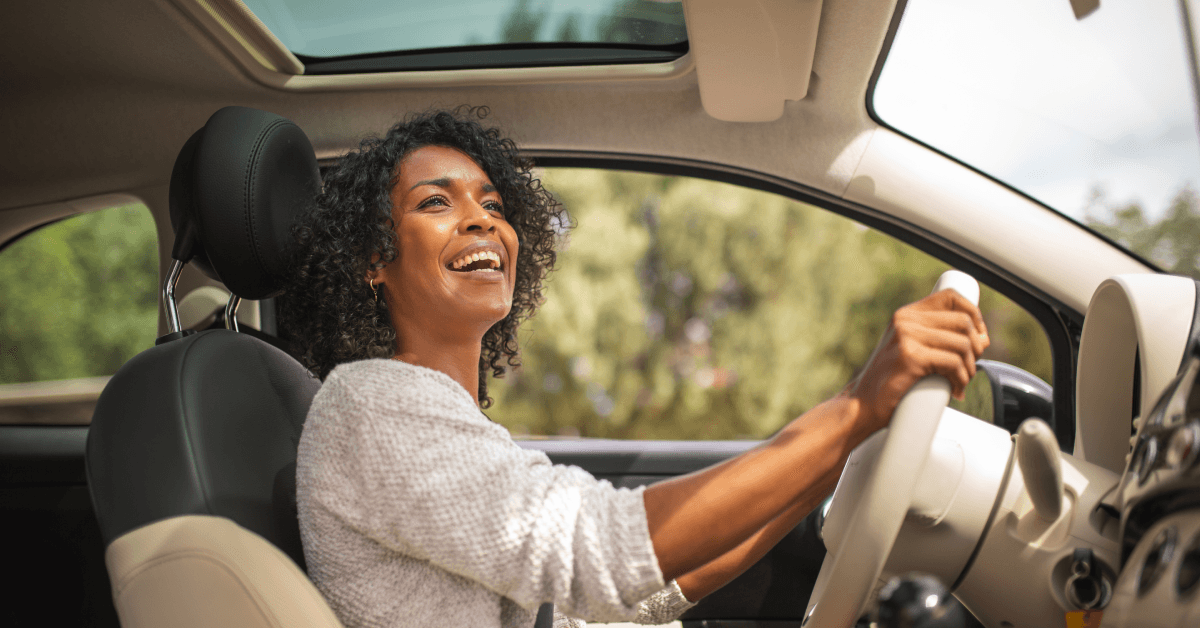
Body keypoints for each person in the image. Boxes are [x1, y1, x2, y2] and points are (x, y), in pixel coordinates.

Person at [281, 108, 989, 628]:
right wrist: (856, 409)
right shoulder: (370, 405)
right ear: (374, 261)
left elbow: (626, 595)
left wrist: (833, 463)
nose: (482, 222)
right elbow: (600, 552)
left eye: (494, 206)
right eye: (436, 202)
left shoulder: (454, 428)